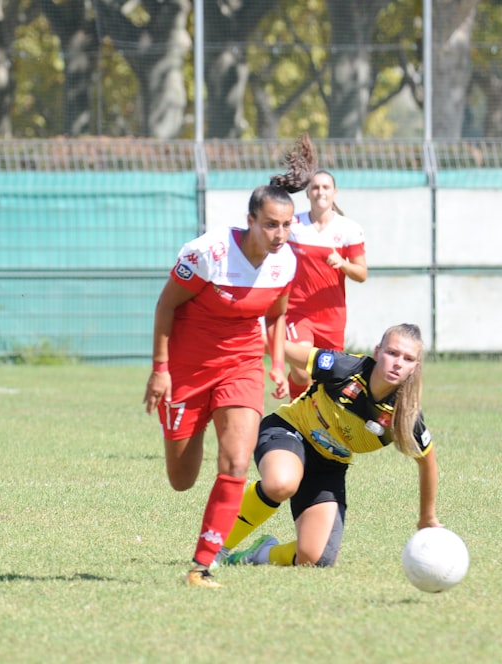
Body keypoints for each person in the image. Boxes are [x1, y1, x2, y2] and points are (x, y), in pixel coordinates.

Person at [143, 136, 317, 588]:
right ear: (250, 221)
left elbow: (277, 317)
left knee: (237, 463)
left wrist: (276, 364)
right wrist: (161, 369)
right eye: (270, 225)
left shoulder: (286, 263)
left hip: (241, 366)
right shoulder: (209, 252)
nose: (279, 235)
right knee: (182, 478)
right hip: (187, 368)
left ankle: (202, 565)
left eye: (285, 226)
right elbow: (165, 306)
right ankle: (188, 421)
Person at [215, 323, 440, 569]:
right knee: (281, 483)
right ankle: (216, 549)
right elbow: (283, 348)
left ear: (414, 368)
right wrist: (233, 332)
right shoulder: (344, 368)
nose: (398, 362)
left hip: (329, 465)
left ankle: (260, 554)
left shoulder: (405, 414)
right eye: (392, 353)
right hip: (290, 431)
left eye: (407, 359)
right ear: (377, 352)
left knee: (316, 558)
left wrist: (426, 517)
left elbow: (427, 463)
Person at [284, 170, 368, 400]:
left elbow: (361, 273)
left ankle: (317, 425)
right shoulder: (293, 225)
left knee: (328, 377)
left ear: (335, 192)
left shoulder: (349, 229)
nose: (320, 192)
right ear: (308, 193)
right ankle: (294, 417)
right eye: (315, 187)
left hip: (332, 316)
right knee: (301, 371)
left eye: (325, 187)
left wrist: (342, 264)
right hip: (298, 312)